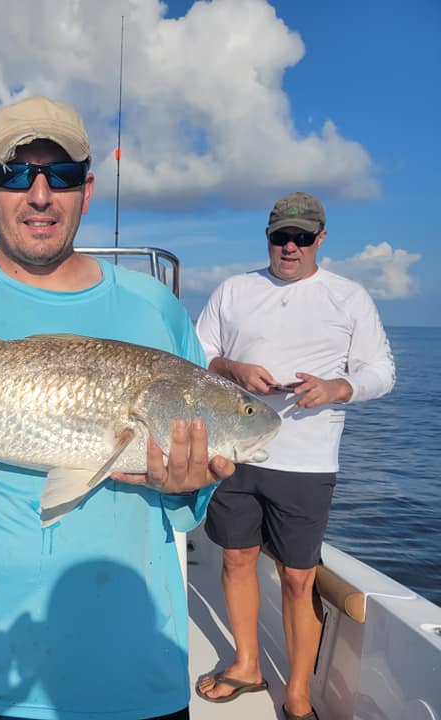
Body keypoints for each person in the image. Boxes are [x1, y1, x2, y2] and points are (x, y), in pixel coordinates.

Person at [0, 95, 236, 720]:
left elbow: (185, 500)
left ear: (86, 190)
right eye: (15, 174)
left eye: (60, 175)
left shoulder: (157, 311)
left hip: (127, 678)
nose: (40, 195)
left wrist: (188, 483)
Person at [194, 192, 396, 720]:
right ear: (267, 237)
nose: (289, 246)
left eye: (301, 238)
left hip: (306, 464)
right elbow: (197, 355)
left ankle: (300, 693)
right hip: (233, 452)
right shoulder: (234, 290)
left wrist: (336, 388)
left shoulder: (348, 298)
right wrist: (234, 370)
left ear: (320, 239)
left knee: (298, 576)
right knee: (235, 558)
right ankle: (246, 664)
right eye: (280, 236)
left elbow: (382, 371)